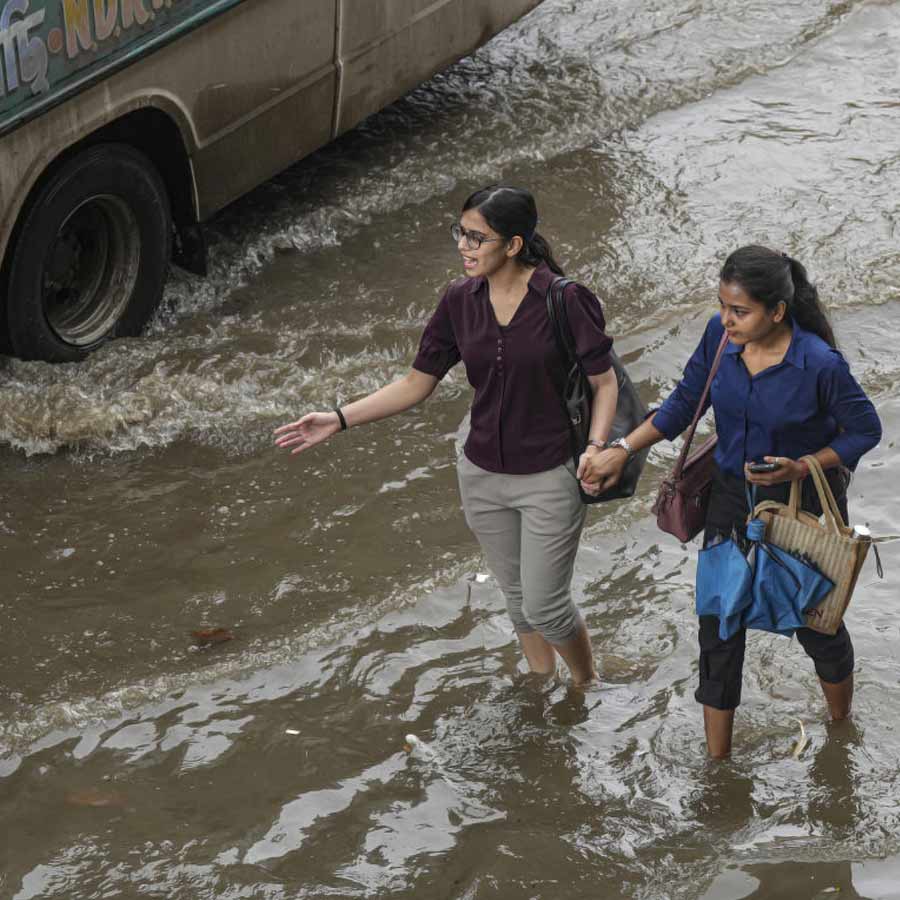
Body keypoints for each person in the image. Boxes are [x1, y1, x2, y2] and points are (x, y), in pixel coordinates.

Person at [274, 185, 619, 686]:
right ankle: (541, 682)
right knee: (519, 601)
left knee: (546, 604)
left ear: (514, 245)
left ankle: (586, 683)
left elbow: (603, 383)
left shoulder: (565, 300)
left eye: (477, 237)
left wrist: (596, 446)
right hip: (480, 474)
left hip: (550, 474)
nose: (464, 245)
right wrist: (339, 417)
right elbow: (417, 384)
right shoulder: (459, 301)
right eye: (461, 232)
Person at [581, 245, 882, 756]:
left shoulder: (819, 364)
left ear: (777, 312)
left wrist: (803, 465)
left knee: (814, 622)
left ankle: (840, 726)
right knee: (719, 625)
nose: (726, 319)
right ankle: (716, 762)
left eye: (739, 311)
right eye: (722, 306)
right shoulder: (719, 340)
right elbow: (682, 405)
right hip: (729, 501)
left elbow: (865, 429)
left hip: (801, 502)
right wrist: (620, 450)